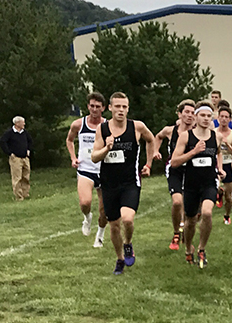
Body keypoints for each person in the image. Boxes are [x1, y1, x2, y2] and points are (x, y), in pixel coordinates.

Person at [90, 92, 157, 275]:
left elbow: (151, 140)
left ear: (128, 109)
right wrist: (106, 148)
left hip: (130, 182)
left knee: (127, 219)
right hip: (109, 184)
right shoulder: (102, 129)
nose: (121, 110)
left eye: (124, 107)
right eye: (117, 106)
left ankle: (128, 244)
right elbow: (94, 157)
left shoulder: (137, 127)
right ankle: (120, 258)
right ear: (110, 108)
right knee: (114, 225)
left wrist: (148, 163)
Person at [170, 101, 224, 268]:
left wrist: (220, 169)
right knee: (191, 220)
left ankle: (202, 248)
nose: (206, 119)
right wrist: (193, 152)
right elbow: (174, 162)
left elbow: (219, 152)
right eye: (203, 115)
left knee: (207, 213)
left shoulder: (217, 136)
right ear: (196, 117)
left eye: (209, 116)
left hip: (209, 182)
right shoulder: (186, 136)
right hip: (191, 184)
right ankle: (188, 249)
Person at [67, 92, 108, 247]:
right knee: (85, 202)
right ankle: (87, 217)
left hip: (104, 170)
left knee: (105, 211)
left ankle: (100, 235)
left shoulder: (107, 126)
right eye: (92, 106)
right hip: (85, 168)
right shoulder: (78, 124)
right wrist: (73, 158)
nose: (94, 109)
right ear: (88, 107)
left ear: (103, 108)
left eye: (98, 106)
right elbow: (69, 140)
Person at [154, 99, 196, 250]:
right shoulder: (170, 130)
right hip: (175, 169)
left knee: (192, 207)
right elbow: (157, 137)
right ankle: (176, 232)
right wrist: (155, 151)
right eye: (187, 112)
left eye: (192, 113)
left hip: (193, 170)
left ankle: (186, 229)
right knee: (177, 202)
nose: (190, 116)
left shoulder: (198, 132)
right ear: (180, 114)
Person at [215, 105, 232, 225]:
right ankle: (218, 192)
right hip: (215, 164)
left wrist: (228, 145)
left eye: (227, 117)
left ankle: (226, 215)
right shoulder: (213, 133)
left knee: (228, 196)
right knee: (213, 187)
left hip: (229, 165)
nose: (224, 119)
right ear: (218, 118)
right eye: (222, 117)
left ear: (230, 120)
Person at [0, 116, 33, 201]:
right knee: (17, 177)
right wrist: (9, 153)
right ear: (17, 123)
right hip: (16, 158)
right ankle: (19, 197)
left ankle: (25, 193)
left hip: (25, 157)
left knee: (26, 176)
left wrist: (28, 150)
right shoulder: (10, 133)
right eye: (22, 122)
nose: (24, 124)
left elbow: (30, 141)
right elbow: (1, 142)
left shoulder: (24, 132)